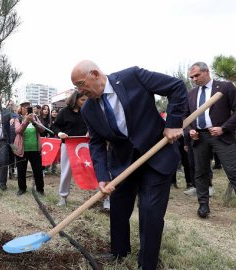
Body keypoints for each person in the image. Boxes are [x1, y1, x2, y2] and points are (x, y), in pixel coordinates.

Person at [71, 60, 187, 270]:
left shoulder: (133, 77)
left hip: (156, 156)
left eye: (81, 84)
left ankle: (148, 262)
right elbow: (96, 144)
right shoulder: (88, 108)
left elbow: (176, 86)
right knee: (118, 208)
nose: (80, 90)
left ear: (95, 74)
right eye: (77, 87)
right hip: (123, 163)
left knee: (150, 211)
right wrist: (103, 177)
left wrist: (173, 123)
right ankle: (119, 251)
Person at [187, 62, 236, 230]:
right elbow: (185, 117)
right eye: (191, 77)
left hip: (221, 136)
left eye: (196, 76)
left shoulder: (224, 87)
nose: (194, 79)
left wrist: (223, 128)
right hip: (199, 137)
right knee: (200, 173)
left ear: (206, 71)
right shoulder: (191, 94)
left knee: (234, 173)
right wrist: (190, 130)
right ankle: (203, 206)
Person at [51, 91, 88, 207]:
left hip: (85, 145)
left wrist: (90, 131)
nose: (85, 102)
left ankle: (101, 197)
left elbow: (93, 124)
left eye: (86, 100)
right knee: (66, 171)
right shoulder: (64, 112)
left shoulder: (87, 111)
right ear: (75, 100)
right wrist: (60, 133)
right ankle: (63, 197)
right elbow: (55, 126)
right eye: (82, 100)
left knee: (90, 168)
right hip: (68, 144)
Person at [12, 100, 45, 196]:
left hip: (35, 149)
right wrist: (26, 121)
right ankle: (22, 189)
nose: (27, 108)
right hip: (22, 150)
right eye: (24, 106)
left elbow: (42, 129)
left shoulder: (35, 118)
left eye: (28, 106)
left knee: (38, 170)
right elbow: (18, 131)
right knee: (21, 170)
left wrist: (33, 121)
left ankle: (40, 189)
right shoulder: (17, 118)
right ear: (20, 108)